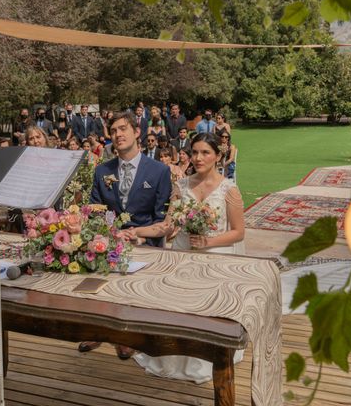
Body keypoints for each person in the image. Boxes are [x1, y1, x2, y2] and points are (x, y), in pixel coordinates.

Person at [125, 133, 245, 382]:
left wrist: (208, 242)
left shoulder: (229, 190)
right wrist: (135, 231)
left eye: (205, 152)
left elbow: (238, 232)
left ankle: (207, 354)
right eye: (194, 152)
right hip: (182, 253)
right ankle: (173, 353)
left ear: (218, 156)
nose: (198, 158)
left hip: (215, 254)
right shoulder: (181, 187)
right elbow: (166, 227)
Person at [78, 111, 171, 359]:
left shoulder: (159, 171)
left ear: (137, 132)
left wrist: (140, 237)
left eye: (123, 129)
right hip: (109, 241)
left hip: (146, 244)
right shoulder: (102, 171)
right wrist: (108, 234)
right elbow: (94, 210)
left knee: (134, 292)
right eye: (114, 130)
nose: (118, 134)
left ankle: (127, 337)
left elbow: (161, 218)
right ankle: (98, 330)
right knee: (96, 283)